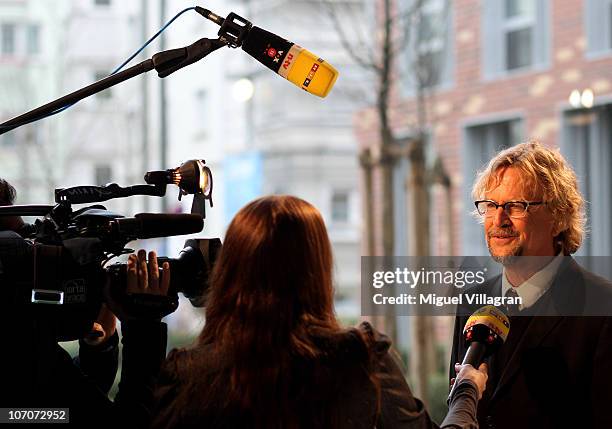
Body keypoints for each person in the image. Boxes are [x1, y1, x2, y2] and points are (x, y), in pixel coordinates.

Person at [151, 195, 487, 429]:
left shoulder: (188, 375)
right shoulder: (359, 361)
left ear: (228, 272)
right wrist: (467, 390)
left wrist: (140, 324)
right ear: (317, 269)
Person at [450, 141, 612, 428]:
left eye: (516, 206)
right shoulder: (471, 302)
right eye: (490, 205)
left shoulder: (602, 307)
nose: (498, 219)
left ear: (559, 217)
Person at [0, 176, 170, 427]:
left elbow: (60, 407)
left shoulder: (20, 343)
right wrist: (144, 327)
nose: (35, 263)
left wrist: (99, 344)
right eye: (20, 251)